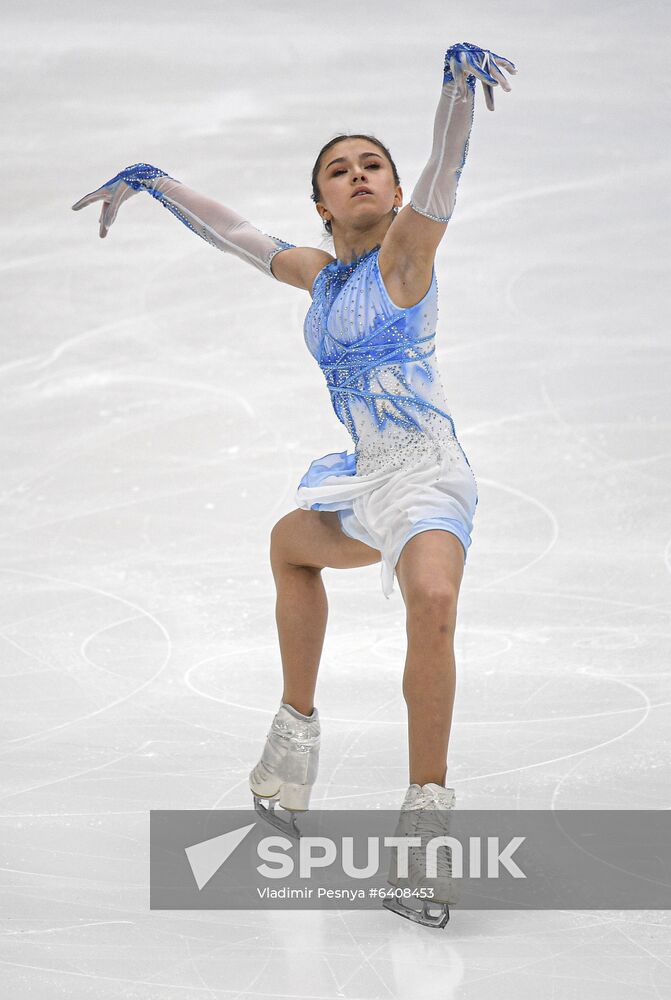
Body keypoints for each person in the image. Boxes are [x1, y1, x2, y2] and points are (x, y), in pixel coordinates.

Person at [72, 41, 517, 928]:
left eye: (372, 165)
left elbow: (445, 172)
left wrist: (455, 94)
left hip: (428, 478)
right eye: (339, 171)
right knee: (290, 546)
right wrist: (155, 181)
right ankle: (292, 744)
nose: (359, 176)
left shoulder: (407, 257)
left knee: (431, 601)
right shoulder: (321, 276)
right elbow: (239, 234)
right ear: (322, 203)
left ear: (394, 192)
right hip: (366, 481)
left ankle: (425, 830)